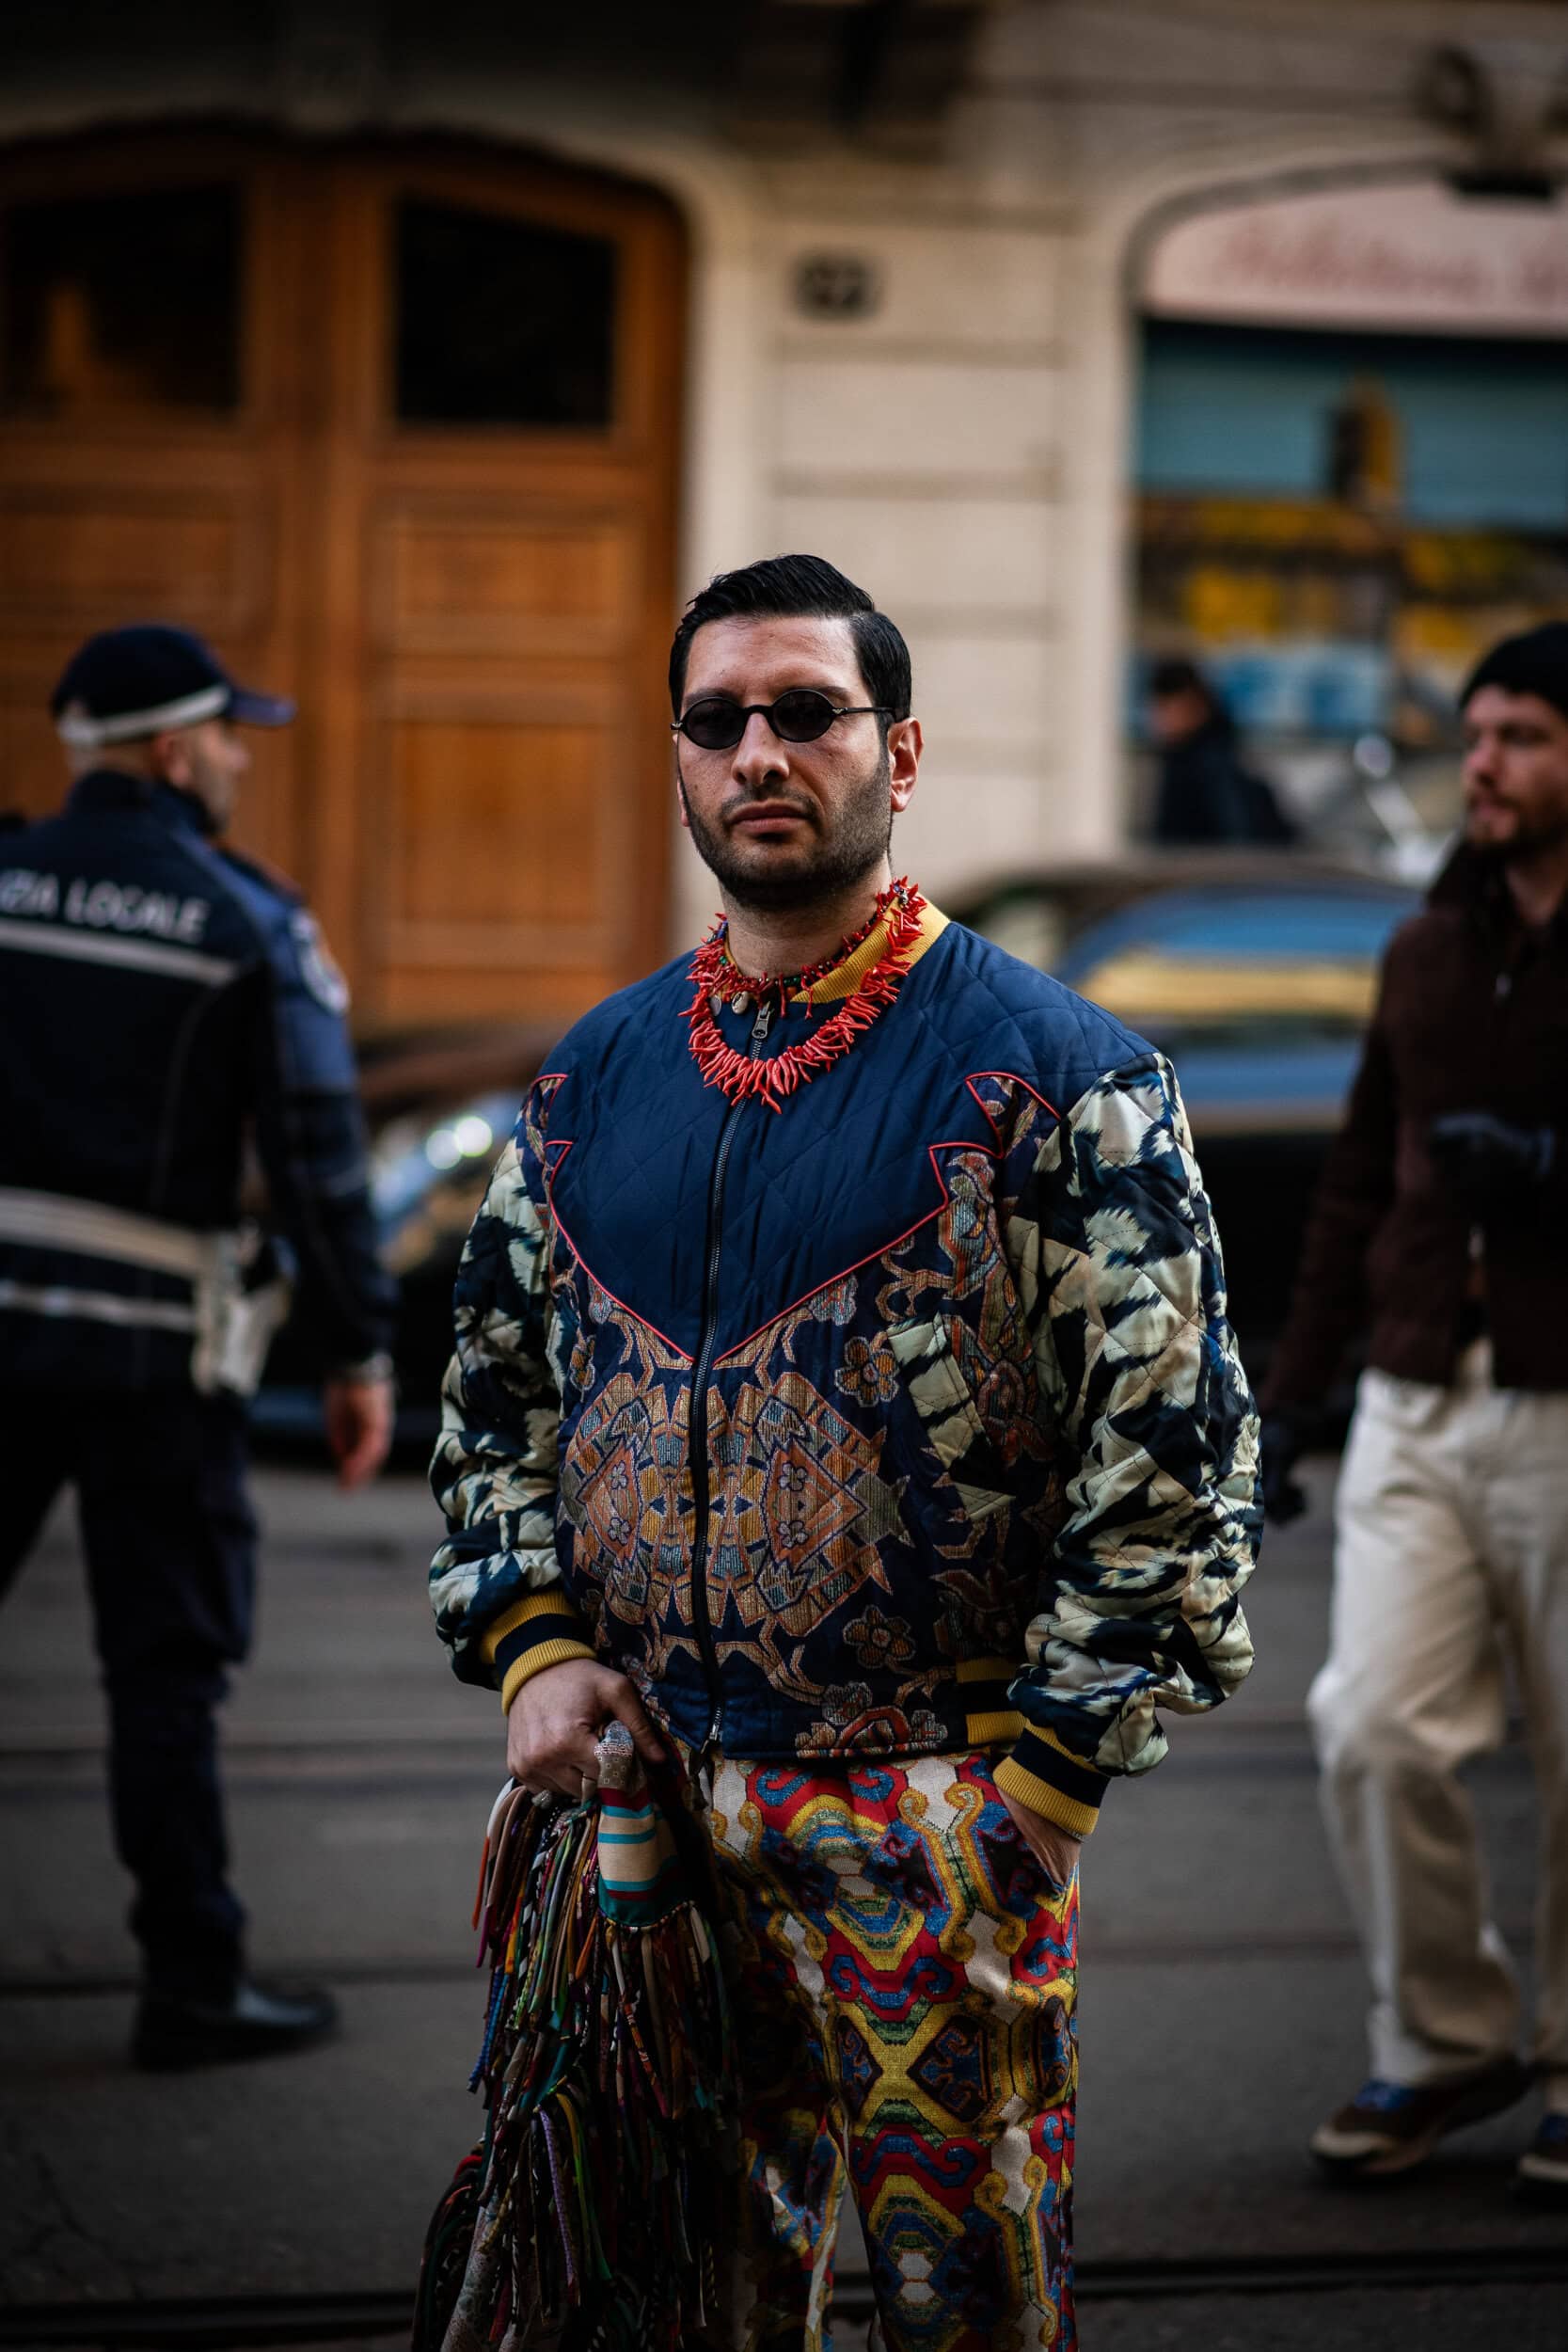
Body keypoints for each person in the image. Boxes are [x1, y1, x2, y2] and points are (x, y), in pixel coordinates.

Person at [429, 554, 1261, 2348]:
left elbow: (1177, 1462)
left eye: (803, 711)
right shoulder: (590, 1084)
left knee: (964, 2303)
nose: (757, 752)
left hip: (930, 1821)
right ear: (677, 757)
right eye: (716, 719)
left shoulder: (1057, 1080)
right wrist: (539, 1648)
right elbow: (491, 1401)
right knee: (680, 2306)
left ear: (900, 748)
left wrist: (1035, 1794)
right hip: (644, 1829)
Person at [0, 623, 397, 2068]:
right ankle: (192, 1978)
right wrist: (358, 1356)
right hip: (151, 1364)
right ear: (175, 750)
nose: (238, 758)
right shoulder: (244, 923)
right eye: (231, 735)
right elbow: (317, 1160)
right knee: (164, 1675)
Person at [1260, 619, 1568, 2200]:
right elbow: (1351, 1190)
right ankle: (1447, 2043)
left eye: (1520, 735)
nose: (1486, 766)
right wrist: (1287, 1407)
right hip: (1408, 1397)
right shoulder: (1421, 951)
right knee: (1369, 1725)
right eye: (1476, 736)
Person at [1148, 655, 1296, 847]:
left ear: (1195, 706)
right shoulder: (1190, 758)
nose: (1158, 719)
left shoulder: (1208, 764)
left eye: (1166, 708)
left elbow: (1237, 840)